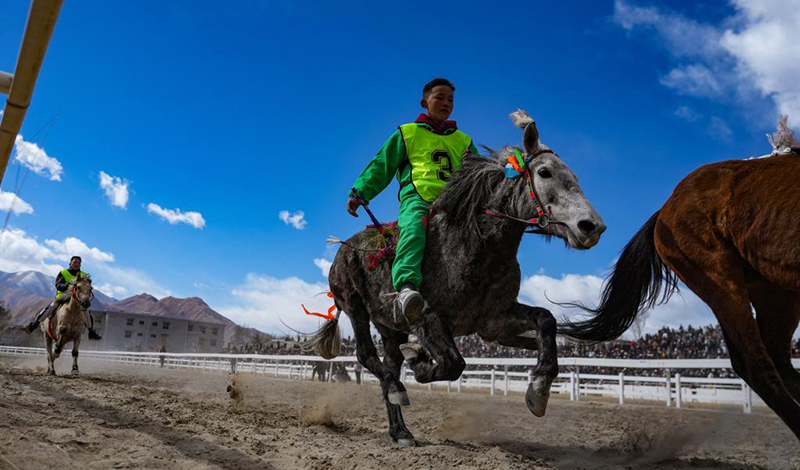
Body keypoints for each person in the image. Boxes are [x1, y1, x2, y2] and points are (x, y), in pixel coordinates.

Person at [346, 78, 478, 348]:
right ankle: (406, 288)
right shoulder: (407, 133)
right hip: (418, 198)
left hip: (455, 203)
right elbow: (382, 165)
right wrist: (360, 191)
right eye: (439, 98)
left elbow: (480, 173)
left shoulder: (464, 140)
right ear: (424, 102)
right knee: (414, 228)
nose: (446, 103)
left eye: (450, 100)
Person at [23, 256, 102, 340]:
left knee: (86, 310)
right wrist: (69, 286)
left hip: (78, 298)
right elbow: (58, 285)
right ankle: (34, 325)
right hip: (63, 296)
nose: (76, 264)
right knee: (51, 307)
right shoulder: (63, 273)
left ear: (80, 265)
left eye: (78, 263)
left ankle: (91, 331)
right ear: (70, 263)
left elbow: (86, 286)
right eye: (74, 262)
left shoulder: (84, 275)